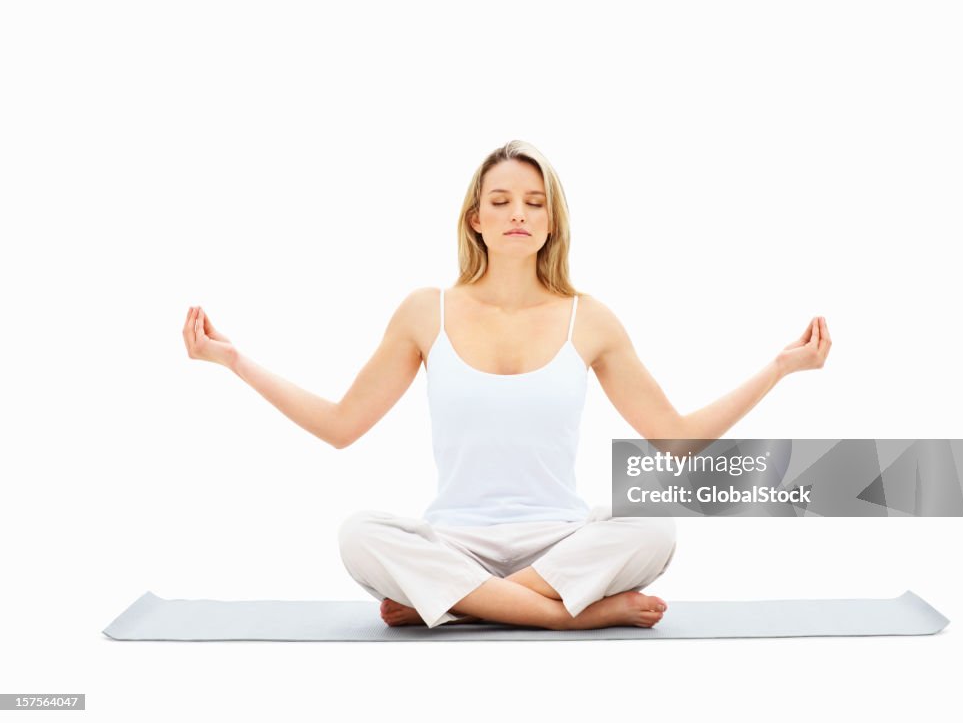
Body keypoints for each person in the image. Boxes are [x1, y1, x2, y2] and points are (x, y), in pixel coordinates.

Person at [182, 140, 832, 631]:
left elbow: (677, 440)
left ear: (553, 223)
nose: (517, 213)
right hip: (453, 538)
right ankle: (564, 616)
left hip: (556, 540)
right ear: (475, 219)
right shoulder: (424, 311)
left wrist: (780, 369)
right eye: (500, 201)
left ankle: (452, 602)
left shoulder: (590, 319)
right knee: (359, 533)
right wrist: (235, 361)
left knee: (654, 525)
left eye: (533, 203)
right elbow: (341, 425)